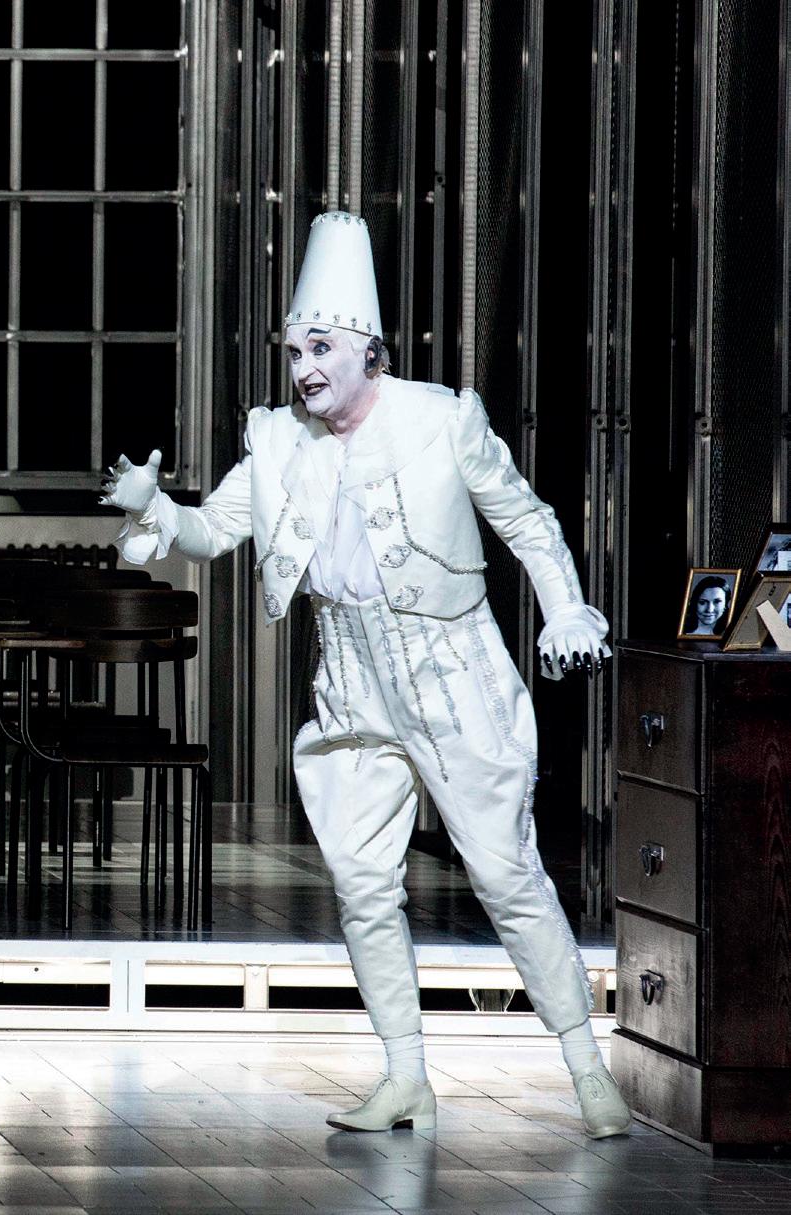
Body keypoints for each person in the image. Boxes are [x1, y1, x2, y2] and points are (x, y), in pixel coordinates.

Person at [102, 212, 630, 1138]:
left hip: (451, 671)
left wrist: (565, 606)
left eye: (321, 348)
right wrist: (155, 510)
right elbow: (212, 530)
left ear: (367, 350)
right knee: (361, 883)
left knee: (506, 872)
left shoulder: (441, 419)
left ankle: (589, 1071)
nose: (304, 368)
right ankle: (404, 1075)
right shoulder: (279, 441)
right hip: (350, 681)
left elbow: (527, 518)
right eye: (294, 351)